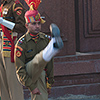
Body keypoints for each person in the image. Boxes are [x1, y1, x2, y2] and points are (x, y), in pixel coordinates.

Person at [14, 1, 64, 100]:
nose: (37, 26)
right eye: (33, 24)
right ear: (26, 26)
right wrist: (31, 87)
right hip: (29, 72)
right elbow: (20, 71)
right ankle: (52, 48)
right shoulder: (21, 44)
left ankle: (52, 48)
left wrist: (50, 82)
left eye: (39, 23)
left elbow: (50, 63)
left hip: (41, 73)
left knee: (41, 94)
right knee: (37, 61)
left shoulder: (45, 39)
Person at [0, 0, 27, 100]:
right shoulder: (3, 5)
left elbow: (22, 27)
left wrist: (3, 22)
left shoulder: (15, 5)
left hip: (10, 42)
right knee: (2, 80)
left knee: (13, 79)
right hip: (1, 43)